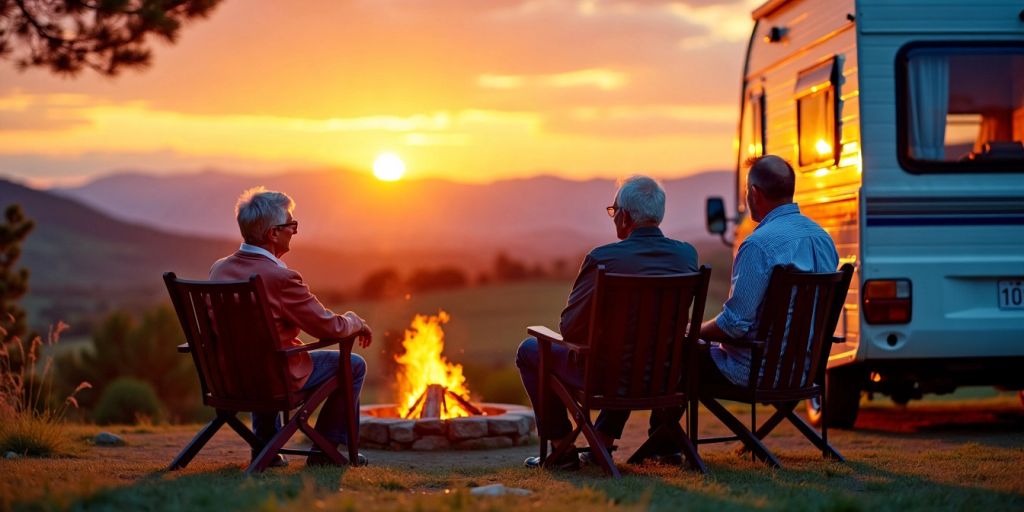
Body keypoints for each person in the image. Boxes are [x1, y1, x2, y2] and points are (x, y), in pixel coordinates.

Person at [515, 175, 698, 470]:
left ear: (624, 217)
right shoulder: (686, 256)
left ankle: (562, 448)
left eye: (614, 212)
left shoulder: (604, 259)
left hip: (608, 380)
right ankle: (603, 441)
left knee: (530, 350)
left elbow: (570, 328)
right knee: (628, 356)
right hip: (667, 376)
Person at [209, 187, 373, 467]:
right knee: (354, 364)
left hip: (227, 380)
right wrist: (354, 321)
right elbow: (328, 328)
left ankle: (266, 450)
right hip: (273, 380)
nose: (294, 232)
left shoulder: (219, 269)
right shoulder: (280, 278)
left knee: (262, 356)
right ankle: (324, 451)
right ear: (273, 233)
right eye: (291, 225)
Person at [699, 155, 840, 386]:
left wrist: (694, 330)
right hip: (804, 374)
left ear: (754, 193)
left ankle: (665, 425)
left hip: (753, 373)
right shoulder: (823, 239)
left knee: (676, 358)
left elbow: (734, 325)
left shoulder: (758, 245)